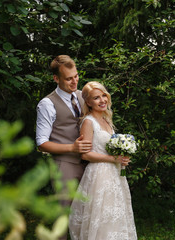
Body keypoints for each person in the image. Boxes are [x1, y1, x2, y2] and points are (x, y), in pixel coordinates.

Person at [69, 81, 137, 240]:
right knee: (101, 216)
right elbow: (85, 155)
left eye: (103, 96)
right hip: (99, 175)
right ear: (88, 102)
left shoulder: (107, 120)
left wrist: (122, 158)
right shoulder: (88, 122)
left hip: (114, 174)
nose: (102, 100)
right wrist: (114, 158)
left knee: (115, 213)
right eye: (96, 98)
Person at [36, 55, 92, 209]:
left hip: (88, 163)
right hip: (64, 165)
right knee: (63, 212)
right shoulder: (47, 104)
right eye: (68, 79)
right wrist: (72, 148)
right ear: (56, 78)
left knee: (87, 213)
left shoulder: (84, 96)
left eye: (76, 76)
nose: (74, 82)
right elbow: (41, 143)